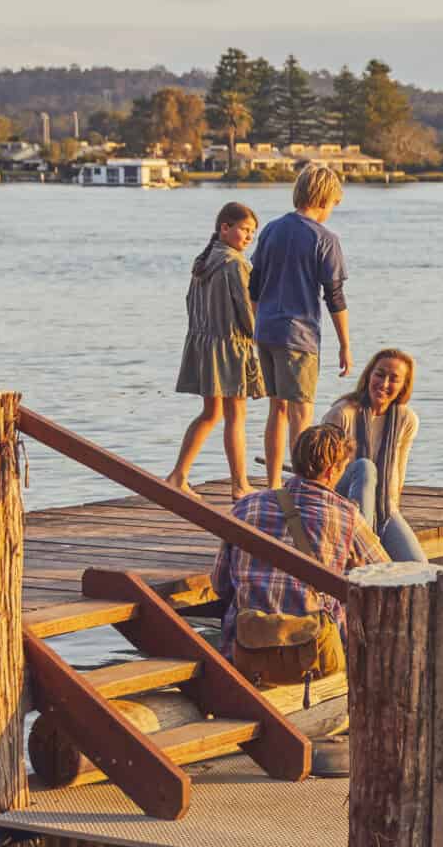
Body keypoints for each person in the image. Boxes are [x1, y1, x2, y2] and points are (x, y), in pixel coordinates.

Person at [210, 423, 387, 685]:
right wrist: (354, 569)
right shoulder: (346, 515)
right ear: (331, 470)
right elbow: (389, 578)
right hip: (315, 658)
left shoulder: (247, 506)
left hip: (247, 653)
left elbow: (219, 584)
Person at [250, 161, 353, 488]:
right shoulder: (325, 238)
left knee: (276, 410)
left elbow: (254, 285)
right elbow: (334, 296)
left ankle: (273, 485)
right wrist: (345, 344)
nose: (331, 212)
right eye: (333, 205)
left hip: (266, 331)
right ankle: (304, 487)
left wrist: (256, 326)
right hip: (299, 335)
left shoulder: (270, 230)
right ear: (324, 199)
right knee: (301, 415)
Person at [166, 201, 264, 497]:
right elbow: (247, 314)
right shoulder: (235, 264)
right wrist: (262, 336)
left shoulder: (203, 262)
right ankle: (240, 484)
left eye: (252, 233)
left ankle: (177, 475)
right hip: (230, 347)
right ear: (225, 228)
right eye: (244, 230)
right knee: (236, 415)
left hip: (203, 345)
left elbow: (189, 304)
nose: (248, 237)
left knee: (211, 413)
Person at [323, 347, 424, 562]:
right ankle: (363, 547)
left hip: (383, 505)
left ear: (403, 386)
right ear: (368, 375)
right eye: (379, 374)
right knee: (365, 467)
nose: (384, 384)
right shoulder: (342, 414)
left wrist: (389, 513)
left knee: (420, 568)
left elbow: (399, 472)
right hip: (341, 503)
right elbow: (324, 474)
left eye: (394, 379)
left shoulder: (407, 420)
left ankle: (367, 539)